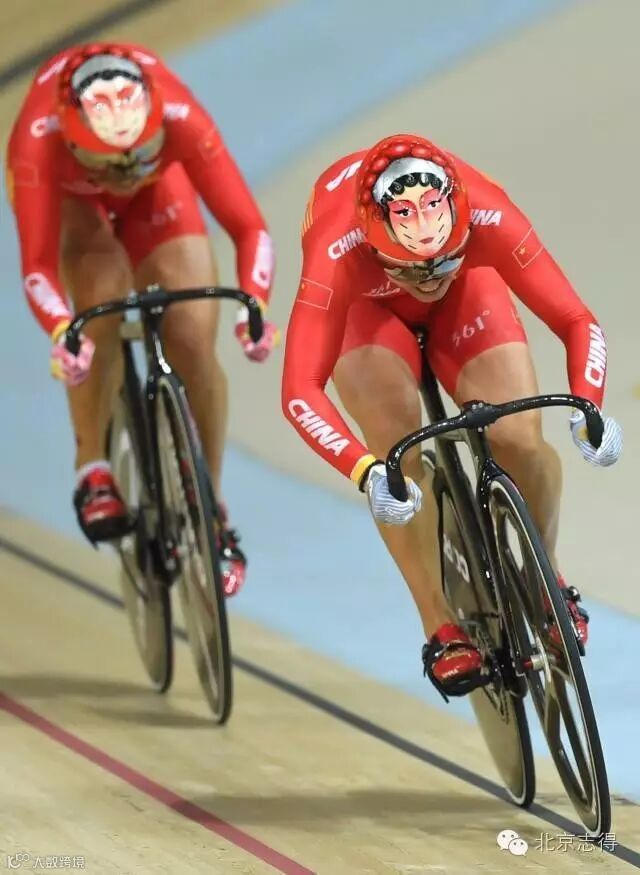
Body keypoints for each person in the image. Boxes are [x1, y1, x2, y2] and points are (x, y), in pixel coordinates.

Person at [282, 133, 622, 698]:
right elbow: (299, 390)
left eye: (444, 259)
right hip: (365, 312)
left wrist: (590, 405)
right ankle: (439, 624)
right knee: (396, 457)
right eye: (409, 268)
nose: (429, 277)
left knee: (519, 437)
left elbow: (575, 319)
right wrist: (366, 470)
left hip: (468, 297)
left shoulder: (488, 211)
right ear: (374, 241)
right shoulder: (335, 251)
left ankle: (545, 577)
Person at [7, 42, 280, 595]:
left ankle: (209, 505)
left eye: (138, 153)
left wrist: (253, 305)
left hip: (161, 196)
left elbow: (250, 228)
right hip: (75, 204)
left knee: (192, 340)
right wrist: (63, 329)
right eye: (108, 162)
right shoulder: (37, 140)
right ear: (73, 139)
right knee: (98, 307)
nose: (124, 174)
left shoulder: (181, 115)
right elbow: (37, 267)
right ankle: (93, 468)